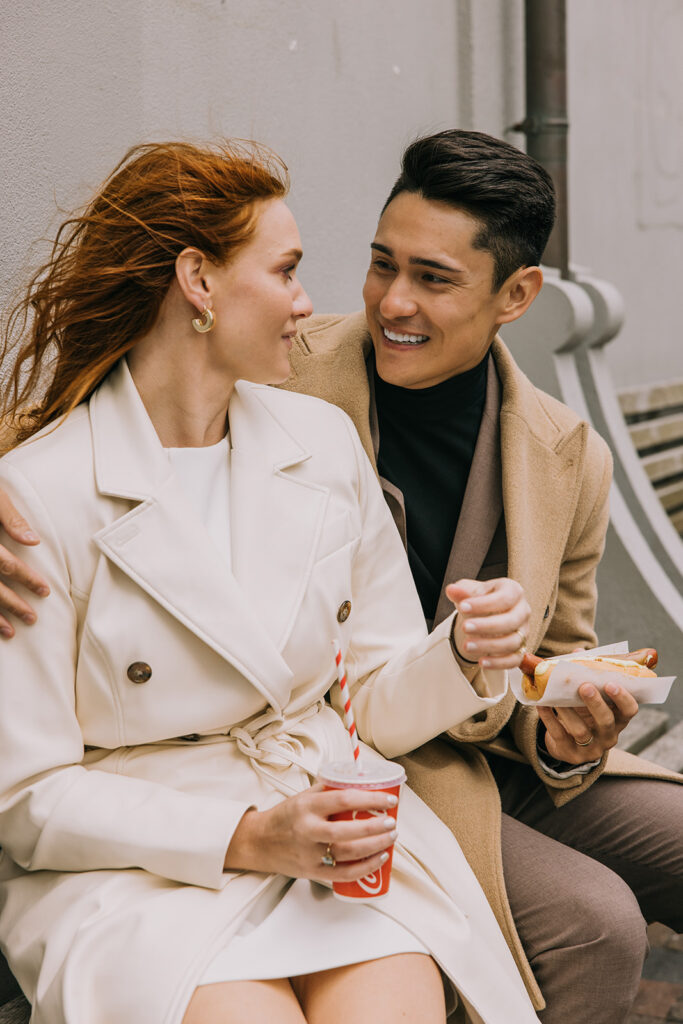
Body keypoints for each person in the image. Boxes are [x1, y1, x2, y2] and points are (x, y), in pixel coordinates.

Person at [3, 131, 683, 1023]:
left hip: (369, 782)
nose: (375, 301)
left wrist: (480, 659)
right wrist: (245, 836)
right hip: (183, 840)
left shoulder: (512, 449)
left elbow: (415, 674)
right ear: (199, 282)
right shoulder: (278, 377)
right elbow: (29, 790)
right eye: (368, 264)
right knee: (589, 922)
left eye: (433, 278)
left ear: (516, 296)